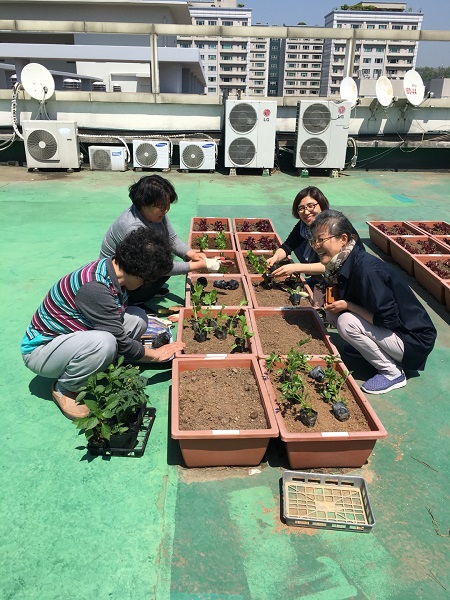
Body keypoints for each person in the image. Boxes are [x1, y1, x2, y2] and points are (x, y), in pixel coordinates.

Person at [21, 228, 185, 419]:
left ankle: (107, 360)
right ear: (140, 274)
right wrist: (155, 355)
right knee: (104, 342)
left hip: (72, 337)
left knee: (138, 317)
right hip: (42, 351)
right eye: (148, 280)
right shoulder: (95, 288)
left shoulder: (112, 269)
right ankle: (65, 388)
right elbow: (119, 339)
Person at [309, 210, 437, 394]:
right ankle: (365, 349)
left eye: (321, 240)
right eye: (314, 241)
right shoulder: (344, 262)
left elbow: (389, 319)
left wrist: (348, 305)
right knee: (333, 312)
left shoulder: (367, 271)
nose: (316, 246)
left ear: (343, 239)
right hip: (393, 332)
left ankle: (392, 373)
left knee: (346, 322)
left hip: (412, 341)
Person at [100, 175, 210, 306]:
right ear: (143, 204)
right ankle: (133, 300)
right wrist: (196, 266)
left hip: (136, 266)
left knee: (166, 259)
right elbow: (155, 265)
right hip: (118, 281)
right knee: (164, 265)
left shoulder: (156, 214)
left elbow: (171, 237)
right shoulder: (134, 227)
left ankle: (146, 292)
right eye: (161, 206)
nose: (166, 210)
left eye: (167, 205)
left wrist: (190, 253)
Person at [266, 186, 363, 279]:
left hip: (350, 270)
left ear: (321, 204)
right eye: (301, 208)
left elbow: (334, 263)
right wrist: (275, 258)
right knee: (299, 242)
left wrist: (296, 267)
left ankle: (322, 278)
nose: (306, 212)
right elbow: (288, 246)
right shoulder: (303, 226)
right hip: (332, 265)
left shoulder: (334, 224)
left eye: (310, 206)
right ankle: (318, 277)